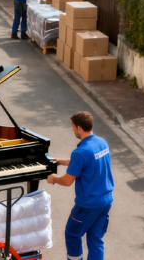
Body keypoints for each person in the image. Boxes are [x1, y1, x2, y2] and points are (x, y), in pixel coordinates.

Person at [47, 111, 115, 260]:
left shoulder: (81, 152)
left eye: (73, 127)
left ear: (79, 127)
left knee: (72, 233)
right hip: (105, 201)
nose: (72, 130)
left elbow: (67, 181)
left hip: (88, 205)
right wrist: (59, 161)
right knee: (95, 238)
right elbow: (87, 162)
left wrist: (53, 179)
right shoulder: (101, 142)